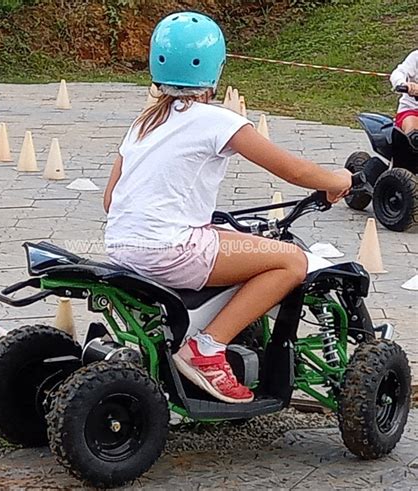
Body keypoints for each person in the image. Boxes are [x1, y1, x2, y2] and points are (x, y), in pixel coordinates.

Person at [103, 12, 351, 404]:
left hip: (121, 246)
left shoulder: (144, 123)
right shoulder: (218, 121)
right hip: (170, 250)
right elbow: (291, 169)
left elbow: (109, 200)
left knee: (230, 237)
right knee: (292, 261)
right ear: (216, 69)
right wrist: (338, 181)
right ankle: (207, 348)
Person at [390, 49, 418, 134]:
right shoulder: (416, 57)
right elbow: (400, 72)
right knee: (414, 132)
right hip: (412, 110)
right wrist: (403, 84)